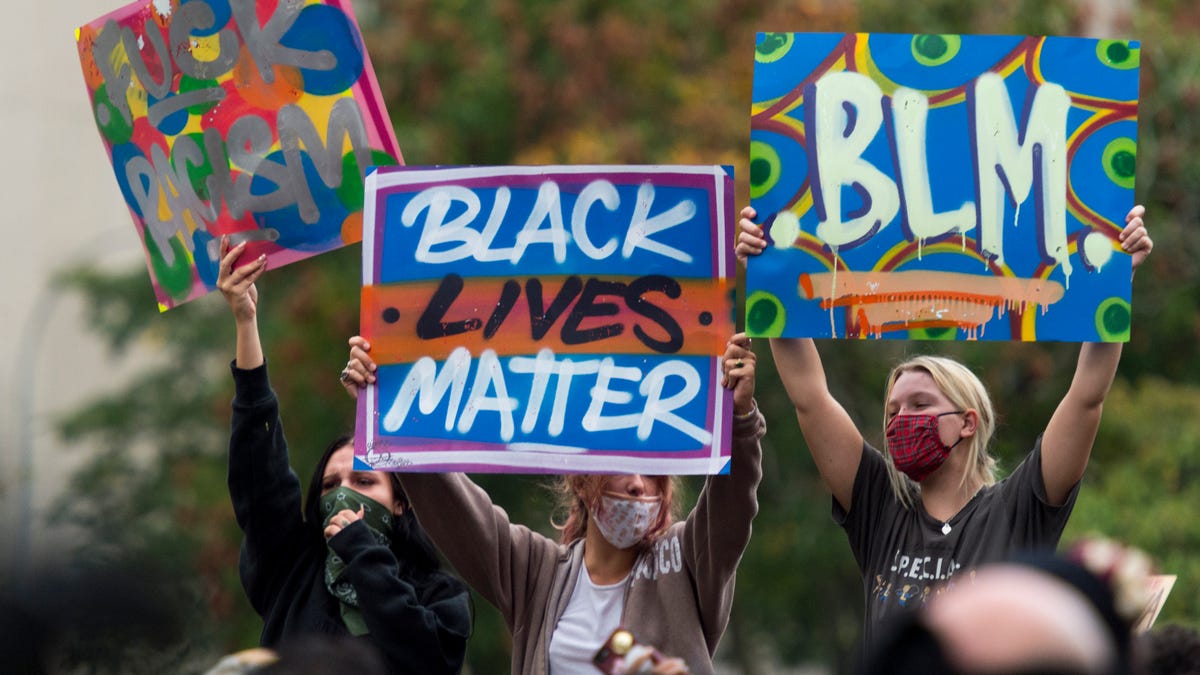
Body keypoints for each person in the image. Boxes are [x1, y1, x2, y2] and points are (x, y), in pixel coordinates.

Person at [736, 204, 1153, 647]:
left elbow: (1086, 398)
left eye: (920, 404)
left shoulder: (1017, 510)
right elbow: (810, 397)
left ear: (968, 423)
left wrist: (1115, 281)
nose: (901, 420)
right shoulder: (880, 508)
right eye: (893, 411)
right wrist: (770, 274)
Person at [340, 332, 764, 674]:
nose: (638, 484)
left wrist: (741, 419)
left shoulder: (686, 560)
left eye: (653, 472)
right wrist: (388, 406)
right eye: (622, 465)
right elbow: (456, 511)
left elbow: (732, 507)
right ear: (581, 478)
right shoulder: (536, 572)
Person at [217, 237, 471, 674]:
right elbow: (261, 474)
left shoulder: (437, 594)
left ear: (401, 501)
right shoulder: (293, 570)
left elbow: (426, 657)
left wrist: (363, 554)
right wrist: (245, 320)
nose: (343, 494)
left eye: (364, 481)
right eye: (331, 485)